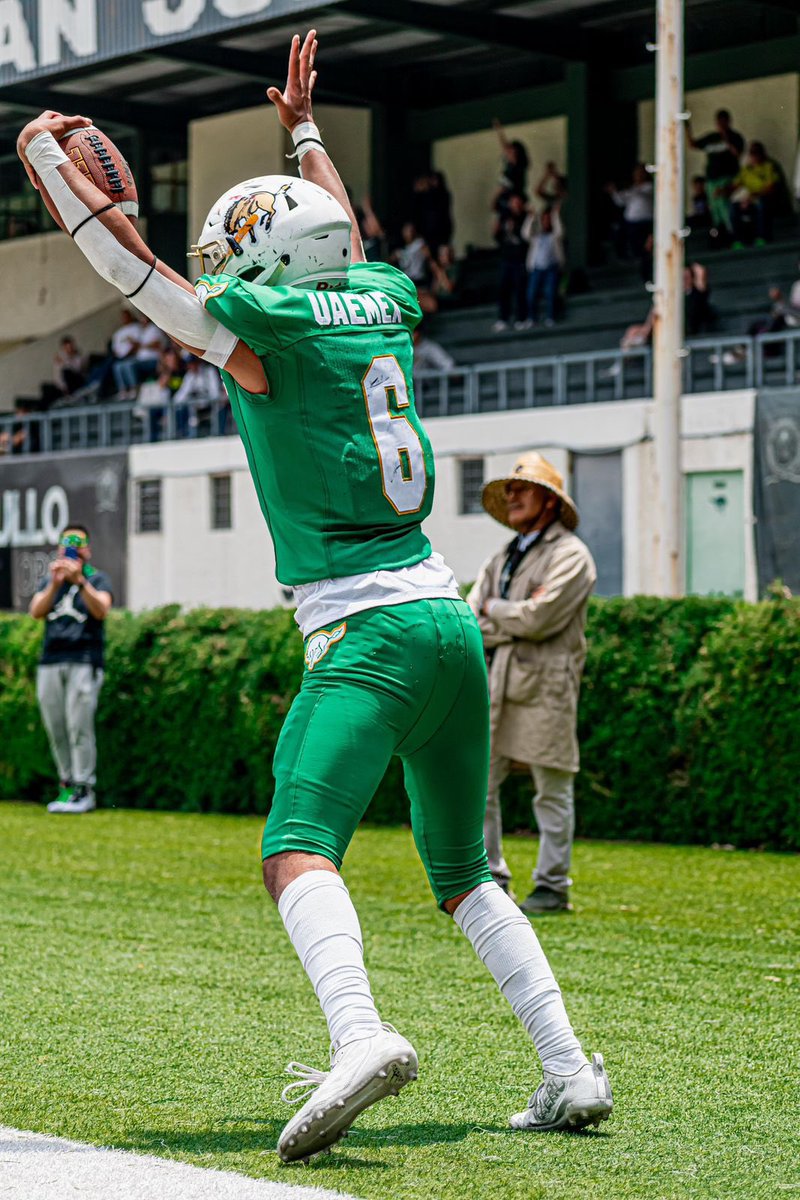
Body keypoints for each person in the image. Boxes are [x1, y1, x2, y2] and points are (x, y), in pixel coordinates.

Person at [17, 32, 612, 1163]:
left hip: (367, 629)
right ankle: (569, 1070)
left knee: (295, 846)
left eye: (240, 251)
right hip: (442, 619)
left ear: (269, 259)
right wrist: (303, 131)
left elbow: (143, 282)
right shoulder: (381, 294)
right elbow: (338, 228)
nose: (227, 267)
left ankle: (358, 1036)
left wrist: (62, 185)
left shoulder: (272, 331)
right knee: (464, 876)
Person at [468, 454, 596, 913]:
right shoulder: (501, 556)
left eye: (523, 489)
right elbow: (469, 616)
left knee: (553, 787)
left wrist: (495, 611)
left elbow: (540, 619)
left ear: (549, 501)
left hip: (546, 688)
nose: (512, 496)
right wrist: (511, 615)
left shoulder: (571, 555)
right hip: (495, 681)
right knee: (479, 784)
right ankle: (489, 882)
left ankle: (551, 886)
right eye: (510, 490)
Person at [29, 525, 113, 814]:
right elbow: (36, 611)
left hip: (84, 659)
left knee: (79, 725)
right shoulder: (52, 581)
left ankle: (83, 788)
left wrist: (79, 582)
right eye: (68, 543)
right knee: (56, 726)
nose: (73, 548)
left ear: (87, 549)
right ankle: (66, 785)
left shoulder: (97, 579)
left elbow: (102, 609)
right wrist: (55, 582)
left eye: (78, 543)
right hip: (51, 660)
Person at [686, 109, 745, 241]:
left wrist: (726, 139)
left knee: (725, 206)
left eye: (724, 121)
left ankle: (734, 235)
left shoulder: (735, 137)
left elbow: (738, 154)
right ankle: (721, 235)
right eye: (719, 122)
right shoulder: (712, 138)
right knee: (715, 209)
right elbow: (693, 144)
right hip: (712, 179)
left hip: (728, 177)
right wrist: (686, 126)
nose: (721, 124)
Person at [521, 203, 565, 327]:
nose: (546, 222)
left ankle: (550, 317)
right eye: (544, 219)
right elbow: (525, 234)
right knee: (531, 294)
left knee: (550, 293)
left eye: (548, 220)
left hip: (551, 268)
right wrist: (531, 217)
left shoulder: (554, 236)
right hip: (536, 269)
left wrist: (555, 215)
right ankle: (532, 318)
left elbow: (560, 230)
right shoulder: (536, 236)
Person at [730, 141, 780, 247]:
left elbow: (771, 188)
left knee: (761, 204)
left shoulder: (769, 166)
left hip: (765, 199)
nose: (754, 156)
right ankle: (738, 240)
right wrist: (723, 190)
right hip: (748, 200)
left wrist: (754, 196)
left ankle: (761, 237)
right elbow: (735, 185)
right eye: (752, 153)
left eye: (757, 153)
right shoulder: (746, 169)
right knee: (734, 208)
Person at [493, 192, 528, 332]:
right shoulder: (504, 217)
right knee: (503, 288)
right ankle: (503, 318)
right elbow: (497, 236)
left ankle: (521, 318)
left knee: (520, 288)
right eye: (513, 202)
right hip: (506, 258)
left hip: (520, 259)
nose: (515, 204)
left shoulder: (525, 217)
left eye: (518, 201)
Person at [606, 165, 654, 262]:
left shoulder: (650, 187)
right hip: (631, 222)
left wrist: (632, 191)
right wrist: (614, 192)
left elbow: (642, 195)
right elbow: (620, 201)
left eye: (640, 173)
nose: (638, 176)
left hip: (645, 222)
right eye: (636, 174)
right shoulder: (632, 188)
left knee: (645, 247)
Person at [110, 308, 141, 398]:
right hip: (121, 358)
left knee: (128, 364)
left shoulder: (136, 328)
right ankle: (123, 390)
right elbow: (115, 349)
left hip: (134, 356)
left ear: (130, 316)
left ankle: (134, 388)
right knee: (117, 366)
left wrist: (128, 354)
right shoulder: (118, 333)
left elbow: (137, 344)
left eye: (126, 316)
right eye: (123, 317)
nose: (124, 318)